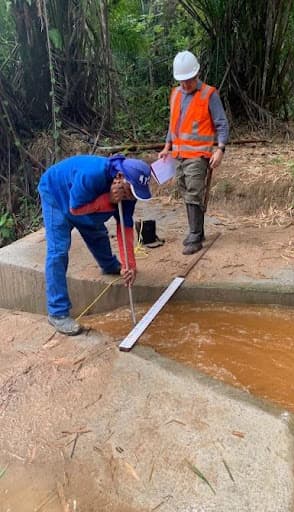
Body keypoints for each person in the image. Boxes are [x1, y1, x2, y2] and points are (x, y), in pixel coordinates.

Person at [38, 154, 151, 336]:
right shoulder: (91, 175)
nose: (132, 197)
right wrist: (110, 200)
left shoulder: (129, 191)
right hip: (57, 196)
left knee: (97, 233)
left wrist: (129, 265)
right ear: (120, 177)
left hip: (85, 202)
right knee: (58, 251)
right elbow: (75, 209)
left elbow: (125, 226)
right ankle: (57, 313)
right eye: (131, 191)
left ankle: (109, 265)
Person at [159, 50, 229, 255]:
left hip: (199, 155)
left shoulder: (209, 94)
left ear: (197, 75)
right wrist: (166, 147)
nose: (185, 85)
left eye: (189, 80)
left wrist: (220, 149)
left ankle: (195, 235)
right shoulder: (175, 94)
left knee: (194, 191)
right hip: (178, 154)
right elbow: (173, 124)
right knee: (184, 189)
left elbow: (222, 123)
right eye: (182, 81)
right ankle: (197, 230)